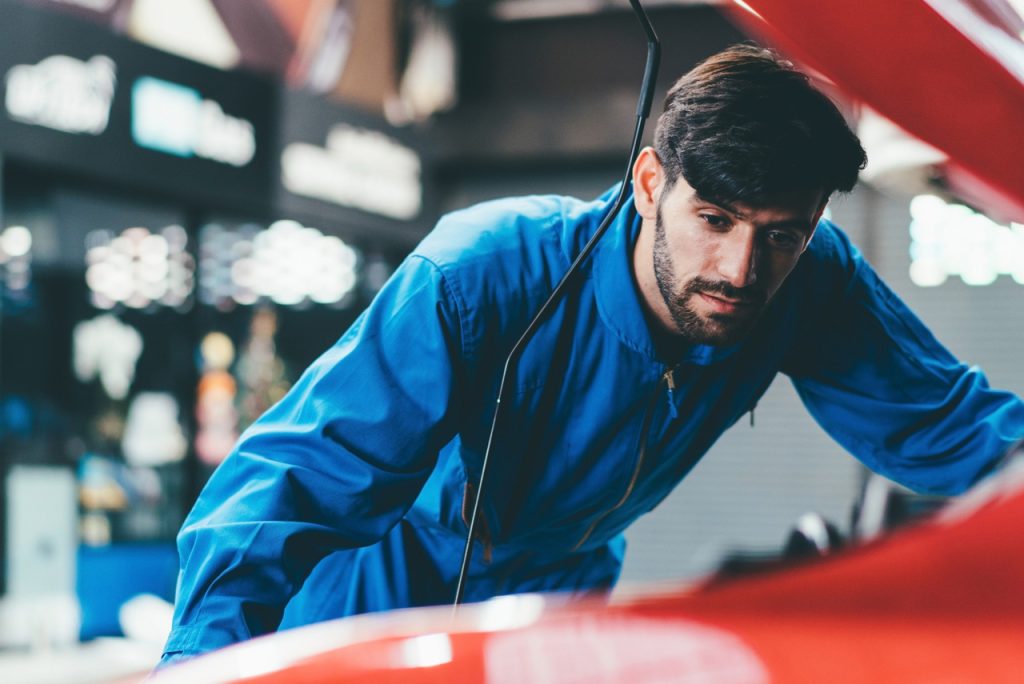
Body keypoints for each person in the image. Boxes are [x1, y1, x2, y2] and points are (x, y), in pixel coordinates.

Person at [160, 45, 1024, 665]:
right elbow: (281, 492)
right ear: (651, 183)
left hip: (562, 590)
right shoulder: (478, 275)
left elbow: (955, 429)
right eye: (714, 220)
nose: (740, 270)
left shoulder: (807, 279)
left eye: (782, 235)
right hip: (380, 580)